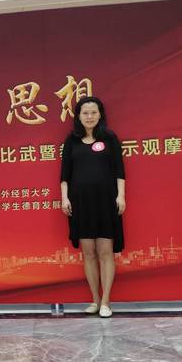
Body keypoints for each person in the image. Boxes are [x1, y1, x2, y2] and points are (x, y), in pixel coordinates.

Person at [60, 96, 126, 318]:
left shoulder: (109, 138)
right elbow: (65, 174)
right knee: (88, 253)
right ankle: (95, 300)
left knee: (105, 252)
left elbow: (119, 170)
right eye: (85, 113)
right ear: (79, 116)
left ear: (100, 115)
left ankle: (106, 301)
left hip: (106, 201)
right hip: (80, 203)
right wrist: (64, 198)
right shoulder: (72, 140)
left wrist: (121, 196)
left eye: (93, 112)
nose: (89, 116)